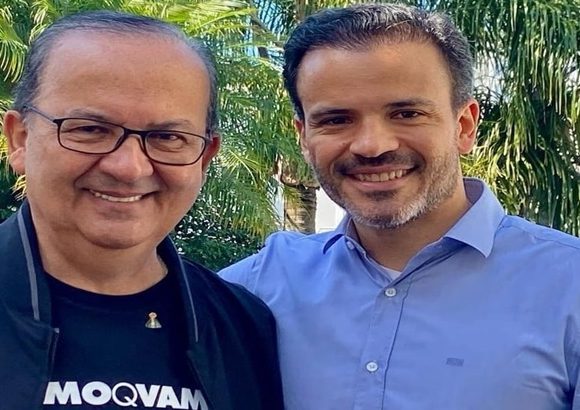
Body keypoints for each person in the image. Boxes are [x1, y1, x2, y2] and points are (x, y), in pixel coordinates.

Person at [220, 3, 580, 410]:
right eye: (336, 120)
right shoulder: (253, 289)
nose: (372, 146)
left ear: (464, 126)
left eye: (406, 113)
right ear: (304, 137)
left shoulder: (569, 287)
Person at [0, 10, 283, 410]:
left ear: (205, 158)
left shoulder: (243, 328)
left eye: (167, 137)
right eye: (90, 129)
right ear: (20, 139)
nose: (129, 168)